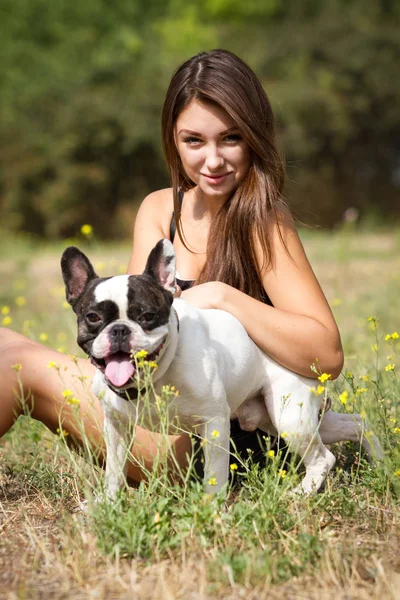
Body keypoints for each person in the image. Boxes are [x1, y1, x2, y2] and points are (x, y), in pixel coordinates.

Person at [0, 49, 343, 483]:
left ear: (256, 136)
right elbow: (128, 340)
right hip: (149, 404)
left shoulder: (263, 221)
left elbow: (327, 354)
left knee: (16, 365)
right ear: (172, 140)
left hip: (204, 430)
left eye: (231, 138)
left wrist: (220, 295)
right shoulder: (160, 209)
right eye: (194, 141)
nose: (212, 160)